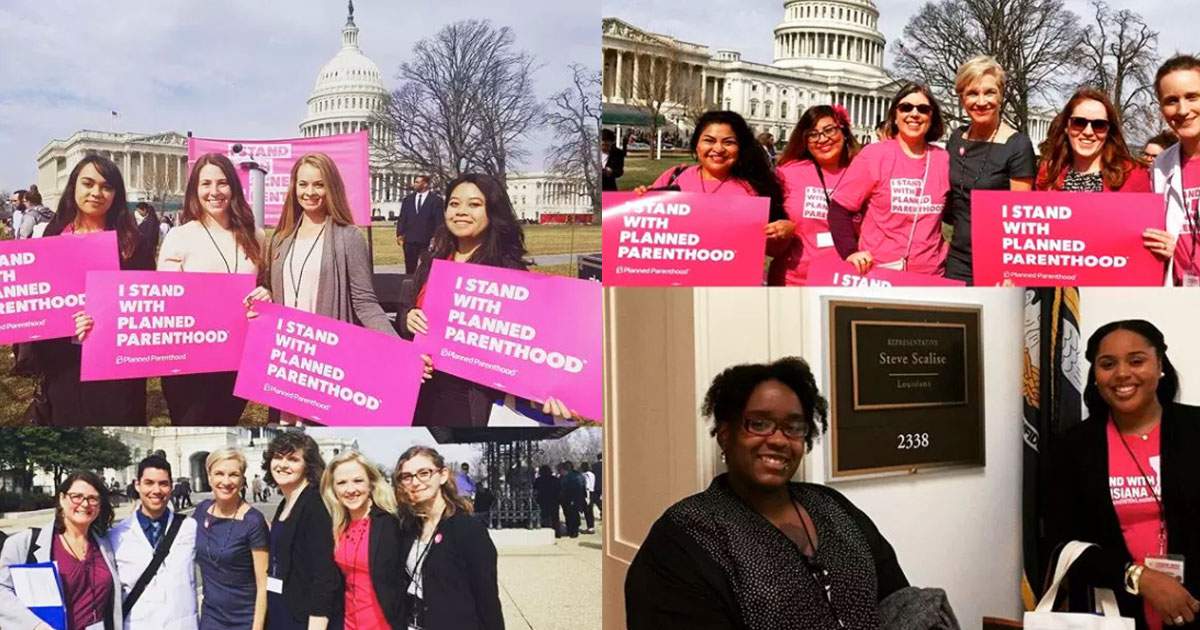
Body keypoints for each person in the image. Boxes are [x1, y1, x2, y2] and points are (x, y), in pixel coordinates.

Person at [625, 357, 909, 629]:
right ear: (725, 434)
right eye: (759, 424)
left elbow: (898, 602)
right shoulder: (684, 537)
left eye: (793, 427)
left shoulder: (833, 507)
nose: (778, 440)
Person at [1047, 320, 1200, 629]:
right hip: (1112, 612)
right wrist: (1139, 577)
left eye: (1136, 361)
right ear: (1095, 375)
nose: (1122, 374)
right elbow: (1060, 544)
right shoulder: (1073, 447)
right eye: (1107, 364)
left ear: (1160, 365)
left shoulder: (1195, 429)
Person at [399, 173, 573, 426]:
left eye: (474, 204)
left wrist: (554, 389)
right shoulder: (432, 260)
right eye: (454, 203)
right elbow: (407, 317)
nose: (461, 211)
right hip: (420, 391)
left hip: (471, 399)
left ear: (492, 212)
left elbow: (532, 343)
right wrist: (409, 319)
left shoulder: (509, 271)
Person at [244, 153, 397, 424]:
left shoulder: (349, 237)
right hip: (287, 359)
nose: (310, 192)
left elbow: (365, 303)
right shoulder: (280, 238)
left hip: (326, 364)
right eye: (303, 184)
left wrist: (400, 350)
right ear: (294, 187)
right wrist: (266, 294)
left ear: (331, 188)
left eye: (319, 185)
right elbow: (277, 288)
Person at [32, 154, 154, 425]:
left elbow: (145, 304)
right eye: (88, 183)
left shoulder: (133, 243)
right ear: (74, 185)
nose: (96, 193)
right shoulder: (53, 236)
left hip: (116, 365)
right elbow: (39, 301)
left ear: (116, 194)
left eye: (106, 187)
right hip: (64, 361)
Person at [152, 153, 265, 424]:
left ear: (233, 188)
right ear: (195, 190)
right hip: (190, 364)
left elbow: (262, 286)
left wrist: (264, 296)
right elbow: (166, 301)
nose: (214, 192)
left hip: (238, 359)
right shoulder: (179, 236)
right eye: (206, 184)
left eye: (222, 183)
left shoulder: (256, 235)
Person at [1035, 87, 1173, 267]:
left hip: (1113, 278)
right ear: (1066, 127)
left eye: (1099, 125)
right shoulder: (1049, 173)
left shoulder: (1133, 176)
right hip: (1059, 277)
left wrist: (1165, 246)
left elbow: (1150, 236)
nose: (1088, 131)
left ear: (1109, 131)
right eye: (1079, 122)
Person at [827, 83, 952, 277]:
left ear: (932, 116)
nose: (914, 114)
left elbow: (955, 212)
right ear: (894, 115)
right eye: (906, 107)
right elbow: (839, 209)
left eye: (923, 109)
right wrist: (850, 252)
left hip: (931, 275)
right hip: (880, 273)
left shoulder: (943, 159)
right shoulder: (874, 155)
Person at [638, 111, 794, 257]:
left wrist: (783, 234)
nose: (718, 149)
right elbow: (645, 235)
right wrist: (638, 202)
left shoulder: (753, 189)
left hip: (729, 275)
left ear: (740, 148)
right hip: (678, 274)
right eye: (709, 140)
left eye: (728, 142)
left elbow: (773, 251)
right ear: (696, 144)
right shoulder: (675, 176)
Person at [944, 56, 1037, 284]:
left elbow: (1020, 217)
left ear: (1001, 95)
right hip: (957, 259)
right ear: (962, 97)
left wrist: (1012, 271)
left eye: (989, 92)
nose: (981, 101)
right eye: (972, 93)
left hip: (998, 261)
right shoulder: (956, 139)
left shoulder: (1018, 145)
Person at [394, 446, 503, 630]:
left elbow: (487, 598)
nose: (415, 482)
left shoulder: (467, 529)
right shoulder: (408, 527)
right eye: (407, 477)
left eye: (424, 473)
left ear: (443, 475)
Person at [0, 470, 123, 630]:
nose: (85, 504)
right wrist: (35, 626)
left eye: (93, 498)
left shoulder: (107, 544)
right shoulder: (24, 544)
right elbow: (2, 591)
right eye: (77, 496)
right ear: (62, 498)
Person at [769, 104, 861, 285]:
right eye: (813, 134)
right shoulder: (788, 173)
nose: (823, 139)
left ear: (844, 131)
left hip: (846, 281)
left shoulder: (862, 171)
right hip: (794, 280)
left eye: (829, 130)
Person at [109, 455, 199, 629]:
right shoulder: (116, 536)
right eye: (149, 483)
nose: (156, 490)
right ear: (137, 485)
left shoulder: (190, 528)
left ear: (171, 487)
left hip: (181, 624)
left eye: (163, 484)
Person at [262, 432, 339, 630]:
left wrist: (317, 624)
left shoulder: (315, 504)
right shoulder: (285, 502)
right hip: (281, 608)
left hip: (304, 616)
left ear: (308, 466)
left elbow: (324, 573)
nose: (283, 465)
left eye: (293, 459)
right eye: (278, 457)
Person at [320, 451, 405, 630]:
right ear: (333, 489)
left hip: (384, 625)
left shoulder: (390, 523)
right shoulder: (337, 525)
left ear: (371, 483)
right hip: (348, 624)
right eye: (342, 483)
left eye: (358, 481)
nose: (350, 490)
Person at [194, 448, 269, 630]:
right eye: (219, 473)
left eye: (233, 475)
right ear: (209, 477)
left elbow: (263, 584)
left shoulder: (253, 521)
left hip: (244, 619)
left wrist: (257, 627)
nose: (226, 481)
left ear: (242, 480)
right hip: (211, 618)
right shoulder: (202, 511)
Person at [1151, 55, 1200, 285]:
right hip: (1179, 294)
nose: (1182, 110)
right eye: (1171, 100)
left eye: (1192, 97)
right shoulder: (1161, 166)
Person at [395, 174, 442, 275]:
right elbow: (402, 218)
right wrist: (399, 234)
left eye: (417, 182)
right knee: (410, 267)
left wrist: (436, 237)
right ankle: (410, 283)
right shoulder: (408, 200)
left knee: (426, 268)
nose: (414, 184)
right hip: (410, 240)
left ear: (425, 184)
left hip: (427, 240)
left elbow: (439, 221)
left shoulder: (436, 200)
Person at [558, 462, 584, 539]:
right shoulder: (577, 475)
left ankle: (572, 531)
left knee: (571, 515)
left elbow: (565, 488)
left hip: (570, 499)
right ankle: (572, 530)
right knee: (571, 515)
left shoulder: (570, 477)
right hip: (570, 499)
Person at [533, 464, 561, 534]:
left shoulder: (538, 480)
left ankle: (544, 530)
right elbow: (559, 490)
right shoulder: (555, 480)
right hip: (554, 500)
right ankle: (557, 532)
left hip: (542, 500)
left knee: (543, 516)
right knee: (555, 517)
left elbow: (535, 491)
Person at [580, 461, 596, 535]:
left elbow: (587, 486)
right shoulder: (592, 474)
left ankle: (589, 527)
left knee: (587, 511)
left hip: (587, 493)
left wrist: (587, 497)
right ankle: (591, 527)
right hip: (592, 492)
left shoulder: (585, 475)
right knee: (590, 511)